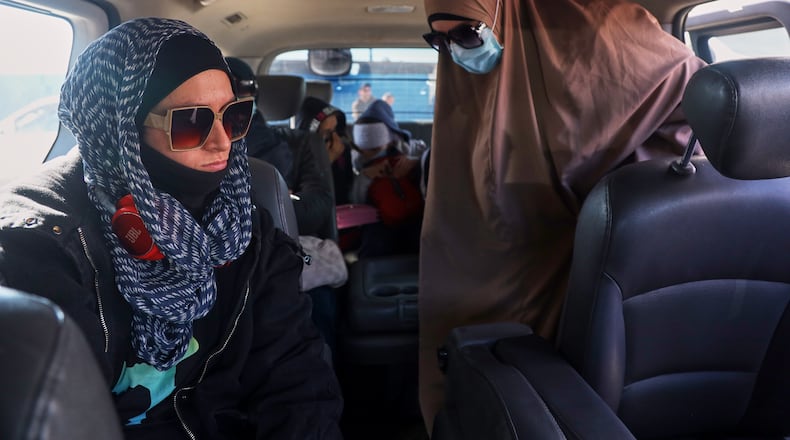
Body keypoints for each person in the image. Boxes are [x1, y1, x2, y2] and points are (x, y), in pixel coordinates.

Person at [0, 18, 343, 439]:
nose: (223, 142)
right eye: (192, 122)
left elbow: (296, 382)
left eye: (234, 116)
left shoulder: (245, 227)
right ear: (121, 128)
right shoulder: (41, 246)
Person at [418, 0, 707, 433]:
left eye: (467, 35)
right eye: (439, 42)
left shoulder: (600, 33)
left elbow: (671, 87)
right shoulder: (480, 91)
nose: (457, 53)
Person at [225, 57, 335, 240]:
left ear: (255, 94)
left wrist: (276, 203)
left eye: (241, 88)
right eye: (226, 90)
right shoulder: (199, 146)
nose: (233, 99)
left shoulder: (299, 143)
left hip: (285, 244)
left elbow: (319, 204)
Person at [351, 99, 428, 257]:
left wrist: (416, 161)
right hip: (379, 221)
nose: (372, 155)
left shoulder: (412, 152)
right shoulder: (357, 164)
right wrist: (365, 177)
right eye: (367, 150)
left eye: (377, 149)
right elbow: (356, 204)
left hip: (414, 216)